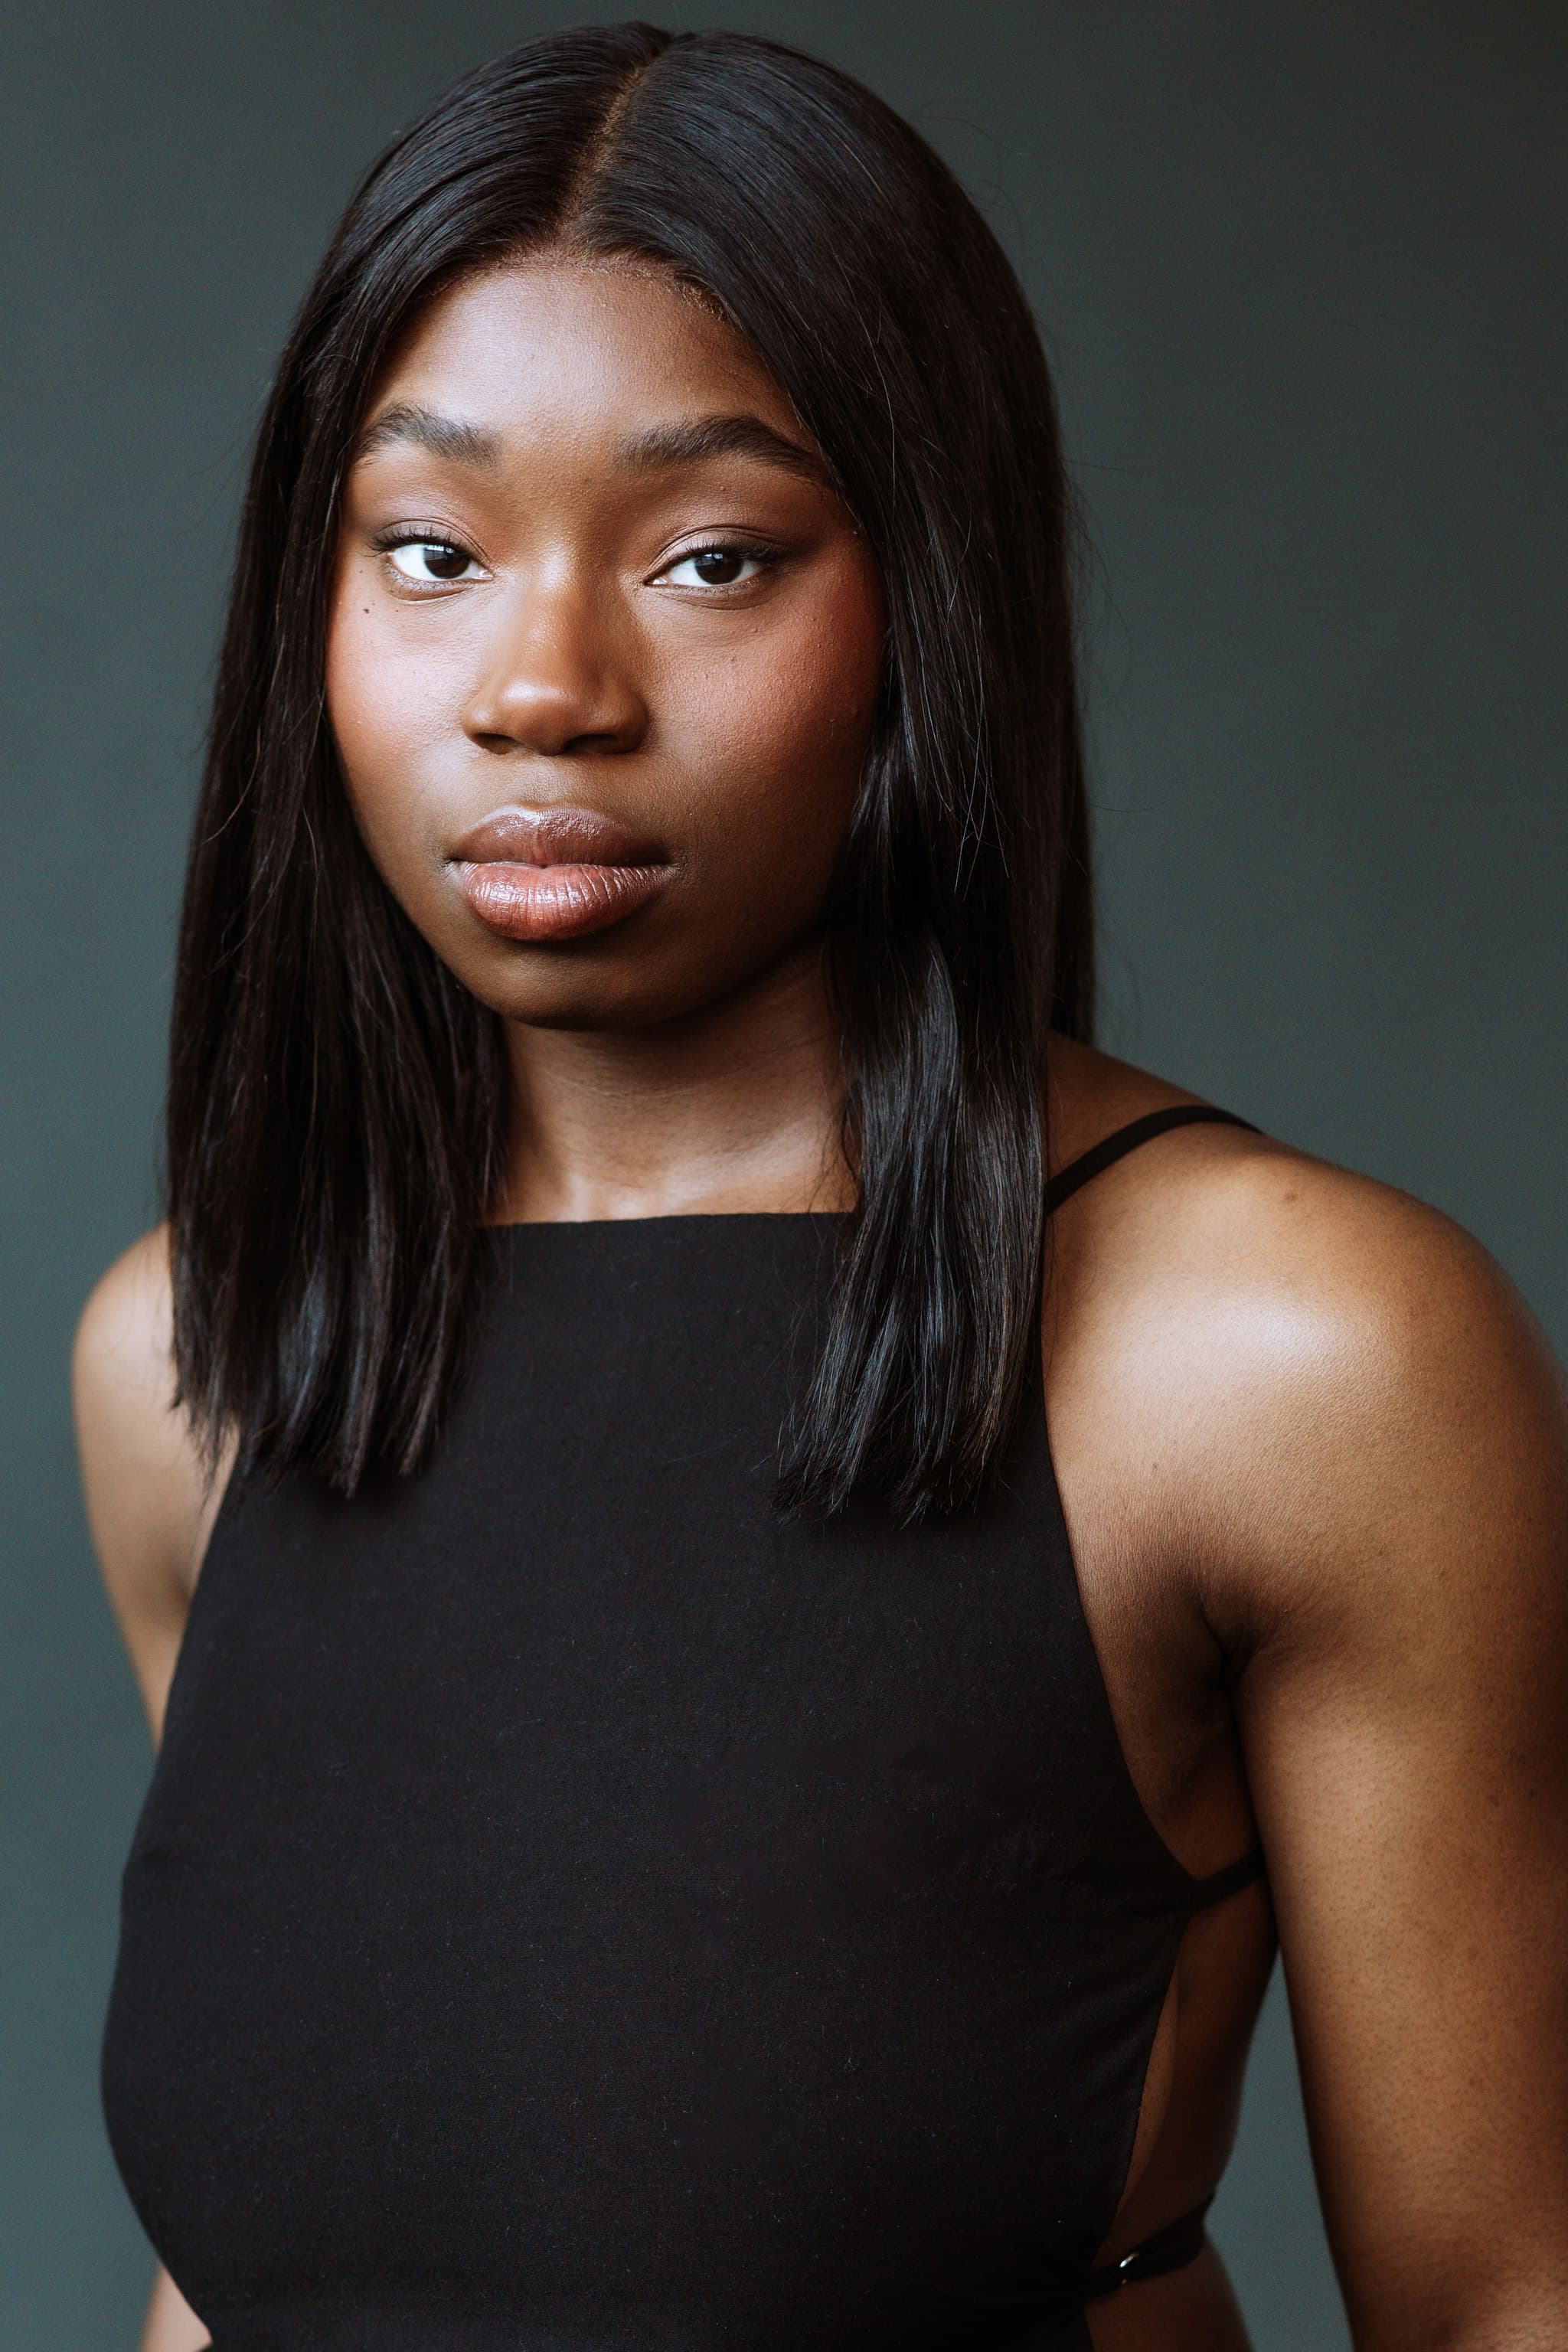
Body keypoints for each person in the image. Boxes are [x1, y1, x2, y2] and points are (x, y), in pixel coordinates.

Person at [71, 24, 1568, 2352]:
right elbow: (266, 2252)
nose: (543, 687)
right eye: (434, 550)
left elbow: (1503, 2297)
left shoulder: (1281, 1352)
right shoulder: (206, 1352)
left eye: (708, 556)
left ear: (926, 605)